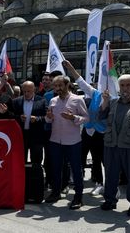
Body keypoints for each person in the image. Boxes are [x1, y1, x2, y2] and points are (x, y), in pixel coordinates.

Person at [99, 74, 130, 218]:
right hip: (112, 145)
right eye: (122, 85)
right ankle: (110, 200)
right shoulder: (113, 102)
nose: (125, 88)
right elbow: (101, 116)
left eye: (128, 85)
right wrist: (105, 102)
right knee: (111, 174)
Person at [44, 75, 88, 210]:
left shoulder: (77, 100)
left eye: (60, 86)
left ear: (67, 85)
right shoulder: (52, 100)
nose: (57, 89)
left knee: (76, 169)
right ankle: (56, 193)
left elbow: (86, 118)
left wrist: (73, 117)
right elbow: (48, 120)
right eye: (55, 86)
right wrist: (48, 117)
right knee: (55, 168)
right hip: (56, 140)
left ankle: (78, 197)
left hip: (73, 141)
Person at [63, 60, 107, 195]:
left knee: (98, 159)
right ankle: (77, 180)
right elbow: (81, 82)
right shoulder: (95, 94)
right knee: (80, 156)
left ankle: (100, 183)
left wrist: (106, 101)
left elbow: (103, 115)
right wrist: (71, 68)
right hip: (87, 131)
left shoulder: (114, 98)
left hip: (101, 132)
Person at [12, 81, 47, 164]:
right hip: (21, 135)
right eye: (24, 91)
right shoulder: (16, 101)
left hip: (36, 135)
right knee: (20, 160)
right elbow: (11, 116)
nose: (26, 93)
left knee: (36, 160)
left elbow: (46, 117)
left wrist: (37, 119)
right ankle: (21, 177)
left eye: (29, 91)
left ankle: (36, 176)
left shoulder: (42, 101)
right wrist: (19, 117)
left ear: (34, 90)